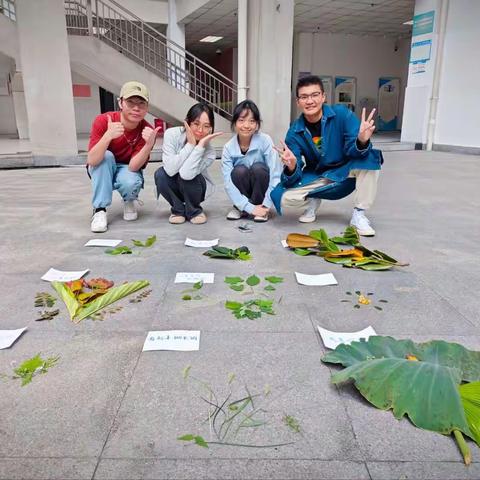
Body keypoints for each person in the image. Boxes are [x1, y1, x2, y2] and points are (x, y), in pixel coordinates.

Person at [271, 75, 383, 236]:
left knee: (370, 157)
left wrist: (361, 140)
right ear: (298, 102)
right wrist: (291, 166)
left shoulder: (341, 114)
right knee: (283, 198)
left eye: (314, 95)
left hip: (346, 170)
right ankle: (312, 200)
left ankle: (359, 214)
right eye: (304, 97)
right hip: (320, 175)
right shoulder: (294, 131)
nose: (309, 101)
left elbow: (355, 150)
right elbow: (292, 173)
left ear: (323, 97)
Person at [87, 81, 159, 233]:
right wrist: (108, 136)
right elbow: (92, 160)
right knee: (106, 157)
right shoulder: (103, 121)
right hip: (102, 165)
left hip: (127, 167)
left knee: (131, 180)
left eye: (141, 103)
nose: (136, 108)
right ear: (120, 102)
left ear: (147, 107)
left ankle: (129, 199)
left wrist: (148, 145)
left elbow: (133, 166)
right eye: (130, 102)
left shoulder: (147, 130)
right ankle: (99, 209)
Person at [154, 103, 222, 224]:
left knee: (188, 176)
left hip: (196, 188)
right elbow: (170, 169)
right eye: (196, 124)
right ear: (187, 122)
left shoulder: (209, 152)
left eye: (206, 126)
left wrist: (199, 146)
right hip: (173, 183)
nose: (200, 130)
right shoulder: (171, 134)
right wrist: (190, 145)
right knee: (161, 174)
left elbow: (186, 174)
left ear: (211, 128)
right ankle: (178, 210)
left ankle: (194, 210)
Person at [222, 100, 281, 222]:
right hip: (242, 195)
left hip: (261, 196)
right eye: (241, 120)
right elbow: (228, 183)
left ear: (257, 124)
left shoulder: (265, 140)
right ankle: (240, 208)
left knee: (259, 168)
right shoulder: (228, 147)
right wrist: (246, 206)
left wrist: (266, 204)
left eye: (252, 121)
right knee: (239, 171)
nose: (246, 125)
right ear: (234, 123)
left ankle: (261, 208)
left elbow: (275, 174)